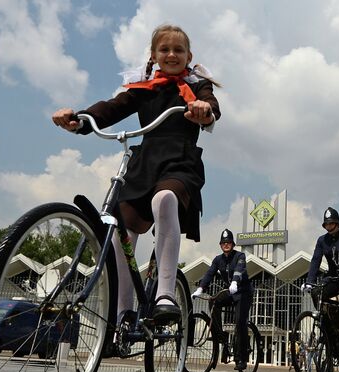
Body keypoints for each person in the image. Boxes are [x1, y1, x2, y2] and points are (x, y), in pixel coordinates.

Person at [52, 24, 220, 326]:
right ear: (154, 56)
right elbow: (112, 107)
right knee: (120, 231)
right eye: (164, 49)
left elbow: (211, 107)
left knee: (165, 199)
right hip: (144, 164)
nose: (171, 54)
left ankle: (165, 294)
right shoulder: (144, 88)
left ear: (188, 55)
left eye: (178, 50)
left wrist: (202, 109)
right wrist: (78, 119)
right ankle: (123, 312)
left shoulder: (197, 85)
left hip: (179, 162)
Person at [303, 207, 339, 371]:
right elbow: (315, 260)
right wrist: (309, 281)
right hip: (333, 279)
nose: (329, 226)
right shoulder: (322, 241)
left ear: (338, 223)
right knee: (317, 292)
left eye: (332, 223)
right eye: (327, 224)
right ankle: (328, 323)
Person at [192, 229, 253, 370]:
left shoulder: (240, 256)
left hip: (243, 292)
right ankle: (220, 335)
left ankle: (241, 358)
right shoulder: (218, 260)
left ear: (233, 244)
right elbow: (209, 273)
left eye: (229, 242)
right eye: (223, 243)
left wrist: (235, 281)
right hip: (230, 292)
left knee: (239, 322)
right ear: (220, 245)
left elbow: (239, 268)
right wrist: (200, 288)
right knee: (213, 301)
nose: (226, 245)